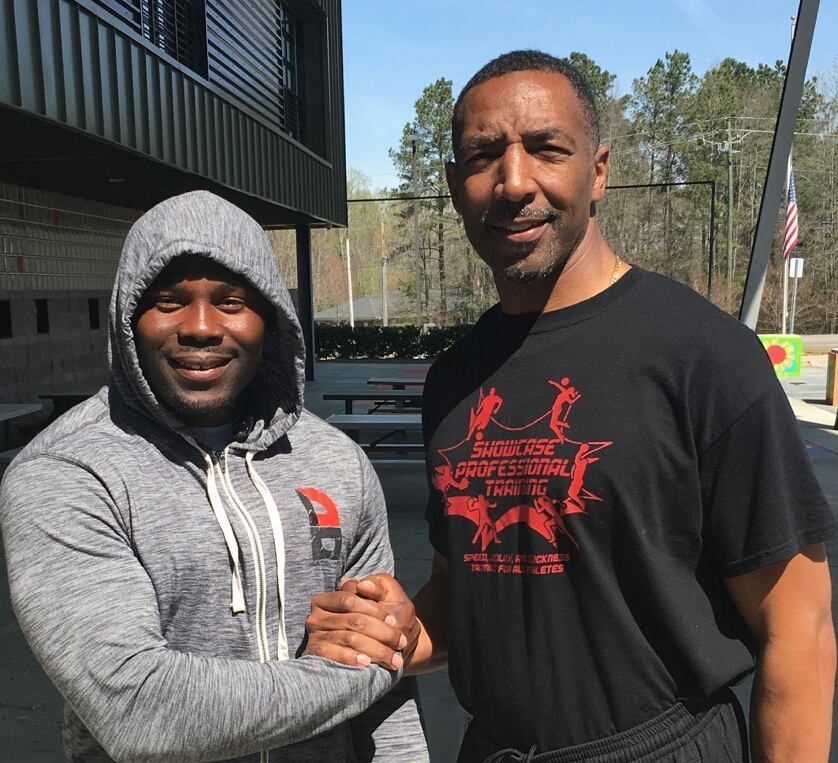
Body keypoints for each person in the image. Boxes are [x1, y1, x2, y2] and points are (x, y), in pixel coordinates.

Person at [304, 50, 837, 762]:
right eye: (483, 154)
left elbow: (798, 629)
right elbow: (462, 595)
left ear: (600, 171)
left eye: (547, 149)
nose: (515, 181)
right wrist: (391, 632)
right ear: (455, 185)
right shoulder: (457, 380)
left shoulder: (704, 357)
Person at [0, 191, 428, 762]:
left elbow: (382, 678)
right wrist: (368, 669)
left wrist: (381, 660)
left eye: (230, 301)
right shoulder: (67, 473)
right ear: (129, 317)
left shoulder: (334, 460)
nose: (200, 327)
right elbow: (138, 709)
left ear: (268, 319)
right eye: (169, 300)